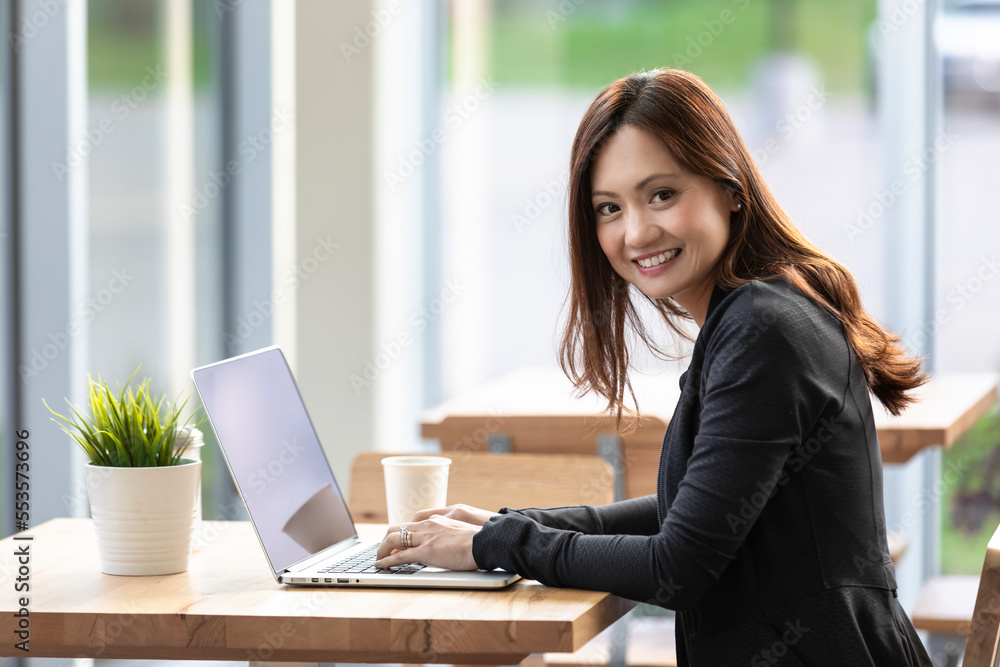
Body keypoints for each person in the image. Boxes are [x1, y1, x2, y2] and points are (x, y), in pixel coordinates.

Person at [375, 68, 933, 666]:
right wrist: (506, 527)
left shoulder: (763, 329)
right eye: (609, 208)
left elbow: (678, 567)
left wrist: (499, 543)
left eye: (662, 194)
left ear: (731, 186)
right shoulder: (752, 315)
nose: (636, 231)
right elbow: (690, 513)